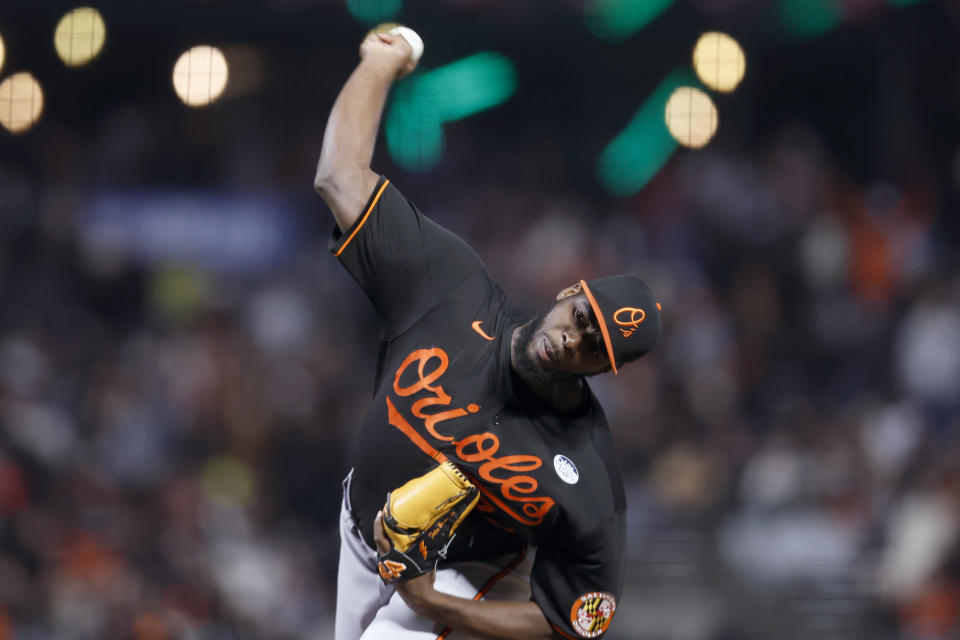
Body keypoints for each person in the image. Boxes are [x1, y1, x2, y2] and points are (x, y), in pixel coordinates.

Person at [314, 27, 662, 640]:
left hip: (457, 574)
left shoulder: (588, 473)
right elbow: (340, 178)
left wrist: (441, 607)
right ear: (569, 293)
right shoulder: (450, 286)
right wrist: (378, 62)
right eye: (582, 318)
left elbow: (576, 622)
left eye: (595, 346)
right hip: (359, 526)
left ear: (605, 370)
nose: (574, 339)